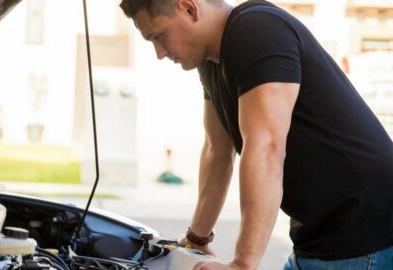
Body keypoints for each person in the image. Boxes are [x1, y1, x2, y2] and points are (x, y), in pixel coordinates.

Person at [119, 0, 393, 269]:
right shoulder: (212, 61)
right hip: (321, 235)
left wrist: (242, 264)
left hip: (361, 231)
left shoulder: (257, 30)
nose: (159, 52)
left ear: (189, 8)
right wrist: (196, 238)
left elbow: (266, 147)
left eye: (158, 36)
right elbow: (217, 150)